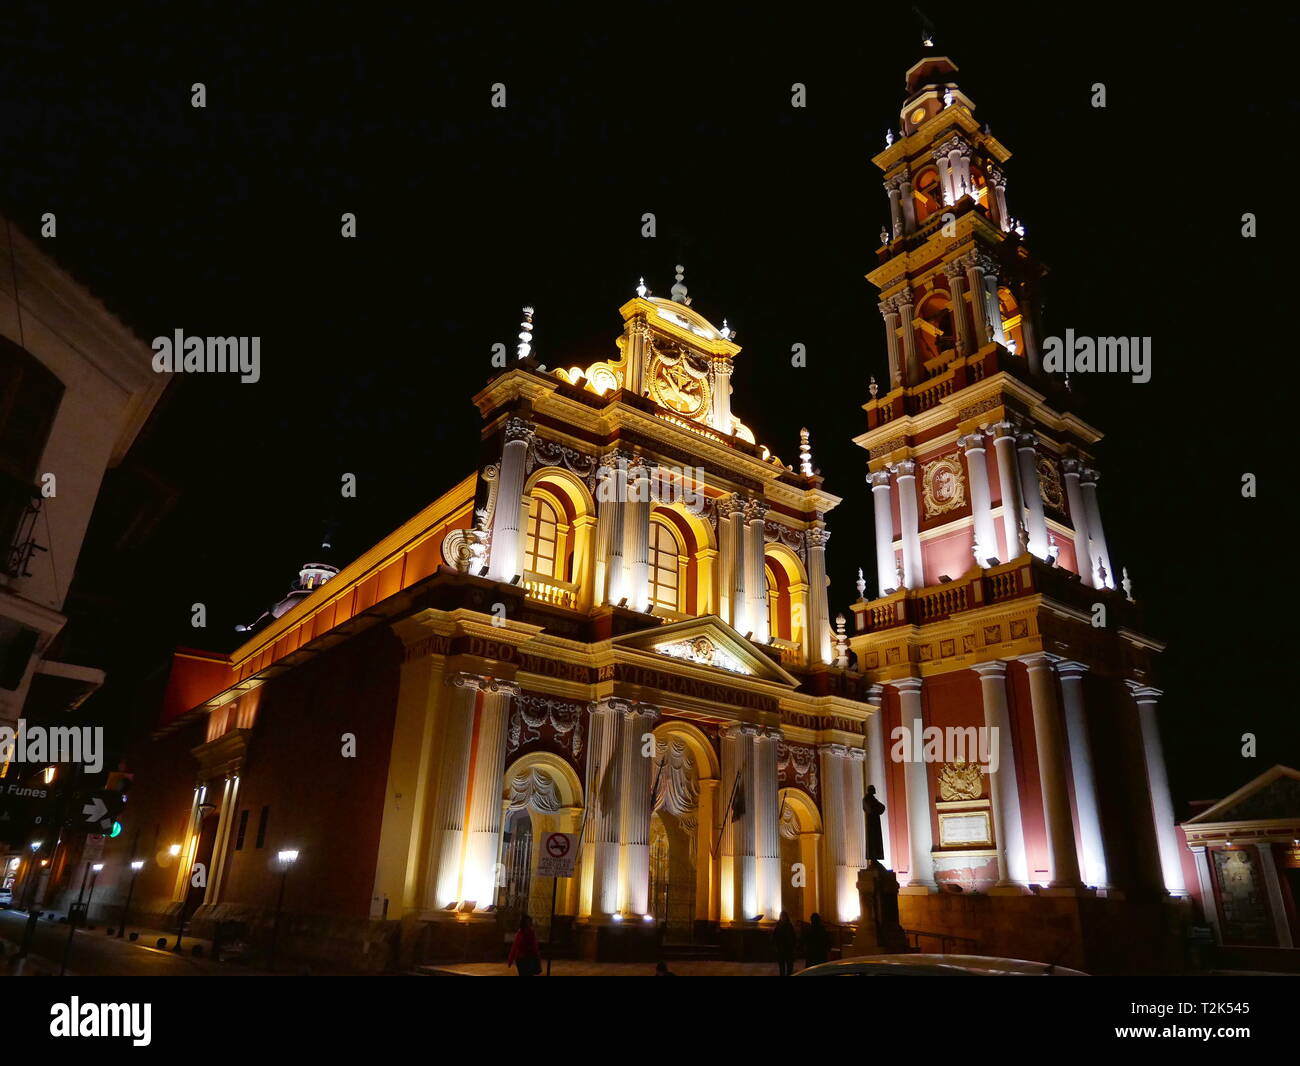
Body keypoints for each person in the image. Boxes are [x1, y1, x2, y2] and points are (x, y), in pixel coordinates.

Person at [773, 911, 797, 977]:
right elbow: (775, 937)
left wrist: (794, 946)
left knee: (789, 966)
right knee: (782, 967)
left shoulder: (789, 926)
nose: (783, 918)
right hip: (781, 949)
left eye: (784, 916)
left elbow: (793, 937)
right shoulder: (778, 926)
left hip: (788, 948)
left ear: (786, 917)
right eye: (782, 916)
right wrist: (776, 946)